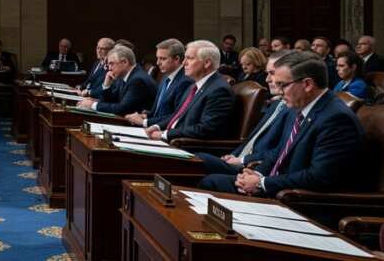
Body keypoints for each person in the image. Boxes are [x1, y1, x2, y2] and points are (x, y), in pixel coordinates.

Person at [199, 52, 366, 202]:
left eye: (282, 85)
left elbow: (318, 177)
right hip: (279, 185)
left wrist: (263, 183)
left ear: (307, 84)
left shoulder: (336, 118)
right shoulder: (298, 108)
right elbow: (280, 151)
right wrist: (257, 173)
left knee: (211, 183)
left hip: (301, 200)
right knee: (211, 180)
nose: (278, 91)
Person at [195, 50, 294, 176]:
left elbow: (279, 150)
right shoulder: (276, 104)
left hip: (253, 168)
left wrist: (243, 160)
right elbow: (251, 139)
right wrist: (234, 155)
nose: (267, 79)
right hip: (239, 161)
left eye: (272, 73)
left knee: (199, 161)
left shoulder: (292, 109)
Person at [145, 40, 234, 141]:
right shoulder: (193, 87)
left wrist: (165, 134)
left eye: (189, 58)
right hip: (173, 140)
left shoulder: (219, 90)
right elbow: (177, 115)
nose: (183, 63)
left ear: (207, 63)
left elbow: (205, 129)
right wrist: (157, 126)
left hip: (187, 145)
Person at [126, 39, 193, 128]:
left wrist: (145, 122)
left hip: (164, 130)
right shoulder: (165, 76)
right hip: (154, 126)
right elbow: (158, 111)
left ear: (177, 59)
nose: (158, 63)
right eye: (157, 58)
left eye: (163, 59)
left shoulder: (185, 82)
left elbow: (175, 116)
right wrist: (145, 116)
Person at [77, 44, 155, 115]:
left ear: (125, 62)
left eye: (112, 64)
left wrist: (93, 105)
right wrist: (106, 85)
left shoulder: (137, 80)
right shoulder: (125, 76)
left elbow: (123, 109)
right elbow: (111, 101)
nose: (109, 68)